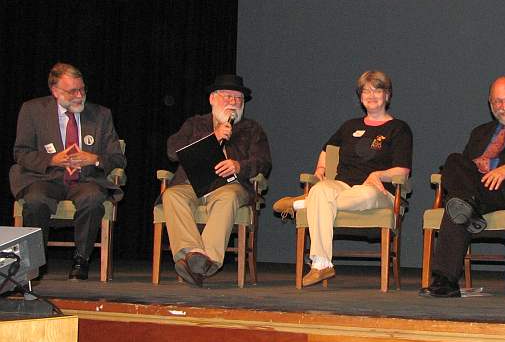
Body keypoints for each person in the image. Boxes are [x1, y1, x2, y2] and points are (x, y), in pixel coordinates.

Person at [419, 76, 505, 297]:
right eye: (497, 102)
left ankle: (445, 278)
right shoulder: (480, 132)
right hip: (477, 191)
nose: (503, 107)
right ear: (490, 104)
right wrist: (474, 166)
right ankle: (446, 282)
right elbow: (463, 169)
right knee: (454, 163)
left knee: (458, 203)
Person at [275, 70, 413, 287]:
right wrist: (320, 168)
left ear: (387, 95)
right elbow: (327, 149)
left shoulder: (399, 129)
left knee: (362, 194)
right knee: (321, 190)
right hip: (342, 184)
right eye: (366, 91)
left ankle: (303, 203)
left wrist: (377, 174)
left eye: (378, 90)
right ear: (360, 97)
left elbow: (402, 171)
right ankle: (321, 264)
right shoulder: (350, 126)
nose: (371, 95)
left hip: (378, 190)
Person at [10, 62, 126, 280]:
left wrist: (96, 159)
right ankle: (35, 262)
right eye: (73, 91)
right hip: (46, 178)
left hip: (85, 180)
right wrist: (52, 159)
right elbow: (21, 153)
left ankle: (81, 260)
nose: (79, 95)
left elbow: (118, 157)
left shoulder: (101, 114)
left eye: (82, 89)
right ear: (55, 91)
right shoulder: (32, 110)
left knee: (93, 199)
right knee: (35, 200)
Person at [162, 74, 271, 287]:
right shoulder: (195, 124)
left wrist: (239, 166)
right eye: (227, 96)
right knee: (172, 195)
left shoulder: (252, 129)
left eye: (238, 98)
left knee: (228, 197)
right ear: (212, 99)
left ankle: (207, 259)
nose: (233, 102)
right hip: (191, 184)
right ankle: (194, 255)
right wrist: (213, 137)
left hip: (230, 185)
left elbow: (263, 162)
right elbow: (173, 151)